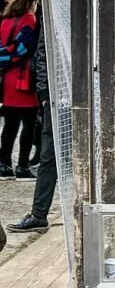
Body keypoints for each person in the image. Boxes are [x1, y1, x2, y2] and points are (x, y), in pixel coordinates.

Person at [7, 27, 58, 232]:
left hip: (89, 92)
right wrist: (45, 94)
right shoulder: (52, 14)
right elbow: (42, 56)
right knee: (49, 157)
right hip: (57, 97)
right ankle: (39, 213)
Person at [0, 0, 40, 179]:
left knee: (9, 125)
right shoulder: (29, 20)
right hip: (25, 79)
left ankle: (4, 163)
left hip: (7, 79)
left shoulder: (5, 20)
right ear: (32, 2)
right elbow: (23, 48)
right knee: (29, 124)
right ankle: (23, 166)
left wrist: (4, 57)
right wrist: (12, 55)